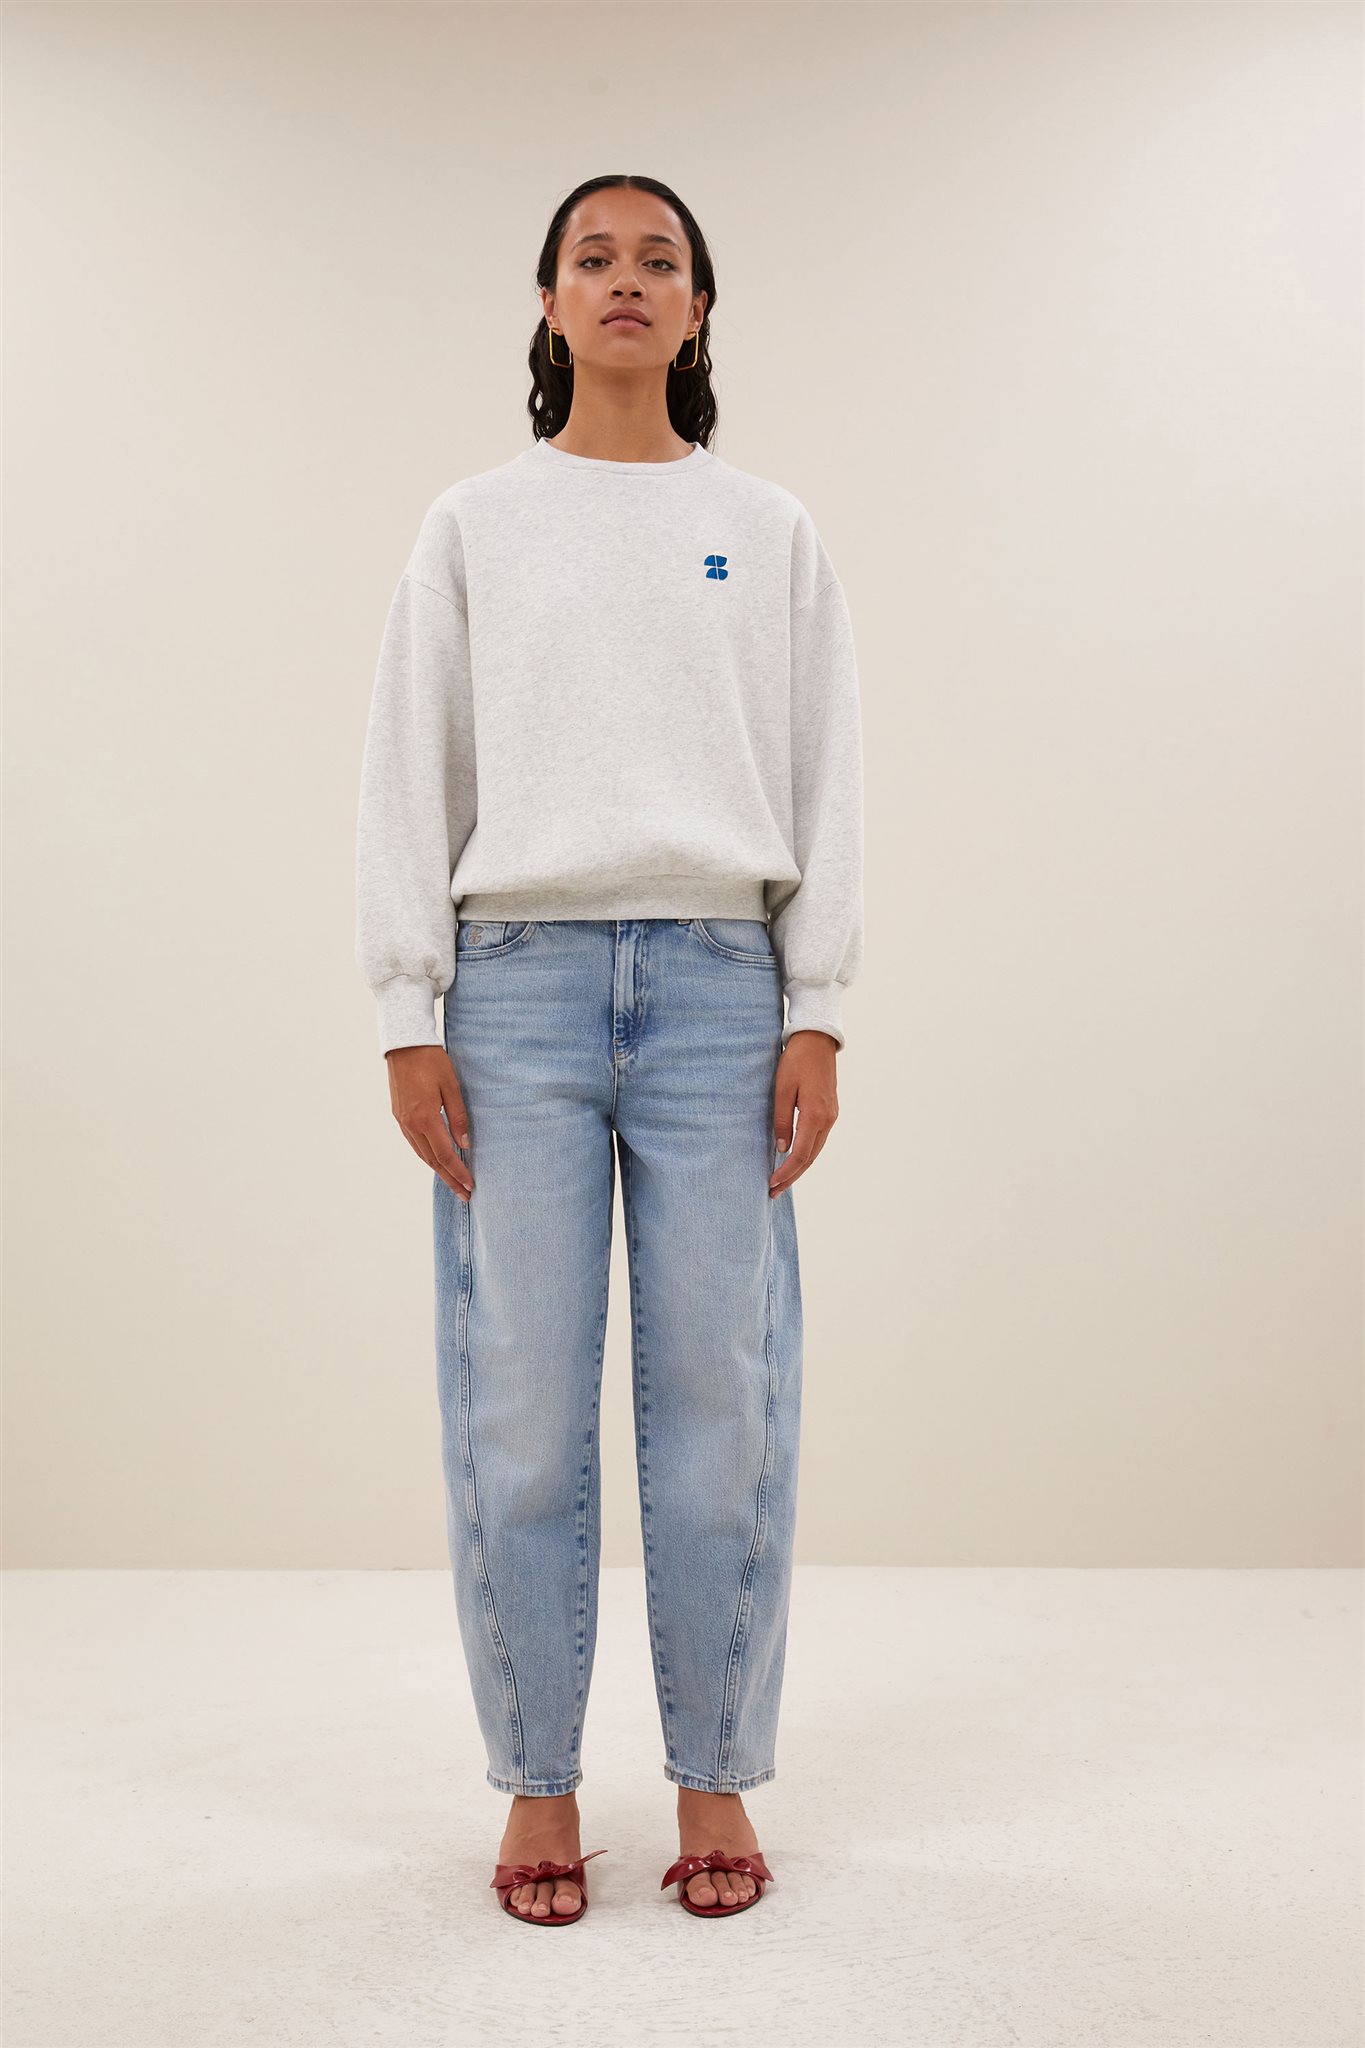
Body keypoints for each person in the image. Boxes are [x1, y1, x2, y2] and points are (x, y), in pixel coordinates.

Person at [354, 173, 864, 1925]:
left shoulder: (765, 528)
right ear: (549, 302)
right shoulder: (474, 526)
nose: (627, 279)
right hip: (515, 992)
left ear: (698, 308)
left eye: (660, 259)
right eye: (595, 257)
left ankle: (712, 1765)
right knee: (517, 1409)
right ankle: (539, 1781)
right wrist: (407, 1010)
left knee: (725, 1395)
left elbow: (826, 769)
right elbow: (408, 763)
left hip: (722, 987)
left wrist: (816, 1006)